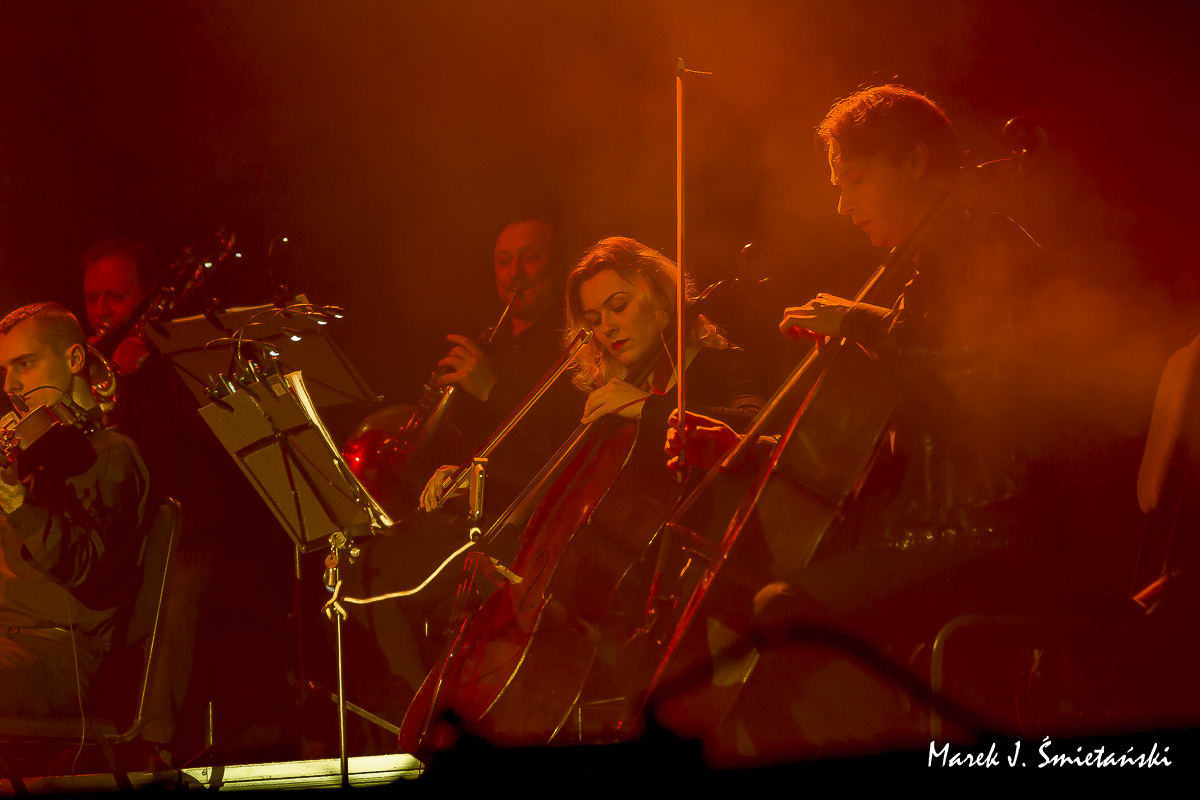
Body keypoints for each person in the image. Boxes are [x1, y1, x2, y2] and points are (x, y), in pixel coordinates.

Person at [659, 85, 1059, 763]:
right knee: (740, 612)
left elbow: (984, 385)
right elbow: (865, 457)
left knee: (787, 612)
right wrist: (743, 451)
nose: (843, 206)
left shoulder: (990, 246)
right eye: (838, 186)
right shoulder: (916, 275)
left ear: (916, 161)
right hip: (922, 535)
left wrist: (862, 323)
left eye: (856, 180)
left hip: (992, 535)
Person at [402, 235, 763, 755]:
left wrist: (646, 406)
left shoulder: (716, 366)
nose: (606, 327)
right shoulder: (609, 395)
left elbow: (754, 426)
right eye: (593, 319)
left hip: (703, 597)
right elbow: (564, 495)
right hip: (623, 607)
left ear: (661, 302)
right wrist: (474, 483)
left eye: (618, 306)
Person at [0, 302, 150, 718]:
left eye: (25, 364)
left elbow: (87, 567)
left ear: (75, 359)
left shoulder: (109, 453)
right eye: (5, 370)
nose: (10, 385)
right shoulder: (25, 453)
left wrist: (13, 499)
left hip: (58, 652)